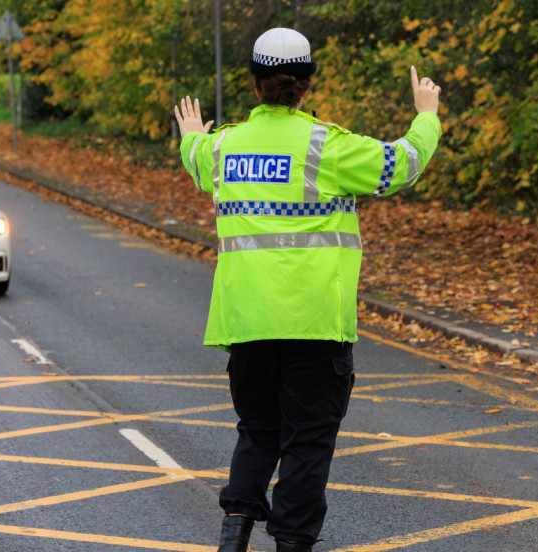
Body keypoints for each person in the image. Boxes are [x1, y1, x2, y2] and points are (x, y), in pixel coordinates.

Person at [174, 28, 443, 552]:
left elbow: (197, 162)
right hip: (316, 326)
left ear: (254, 86)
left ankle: (233, 539)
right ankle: (291, 544)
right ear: (306, 87)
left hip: (247, 325)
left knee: (257, 430)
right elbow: (404, 162)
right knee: (307, 443)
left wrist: (189, 134)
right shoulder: (328, 146)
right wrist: (426, 113)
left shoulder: (222, 147)